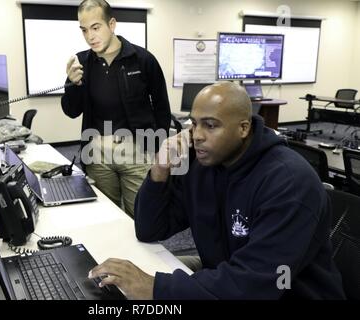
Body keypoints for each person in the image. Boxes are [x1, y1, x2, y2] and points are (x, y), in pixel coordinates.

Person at [88, 82, 346, 299]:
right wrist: (159, 169)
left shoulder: (288, 182)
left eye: (210, 125)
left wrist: (153, 287)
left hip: (284, 293)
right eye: (193, 124)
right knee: (117, 285)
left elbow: (255, 285)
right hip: (225, 272)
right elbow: (149, 229)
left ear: (243, 128)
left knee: (146, 287)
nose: (197, 135)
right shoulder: (200, 163)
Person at [61, 0, 171, 217]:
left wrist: (157, 149)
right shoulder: (81, 62)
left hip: (137, 150)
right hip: (98, 152)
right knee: (105, 215)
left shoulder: (142, 59)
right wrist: (72, 85)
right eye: (84, 30)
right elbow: (71, 111)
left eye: (95, 27)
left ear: (111, 24)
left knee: (140, 216)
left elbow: (161, 107)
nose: (90, 36)